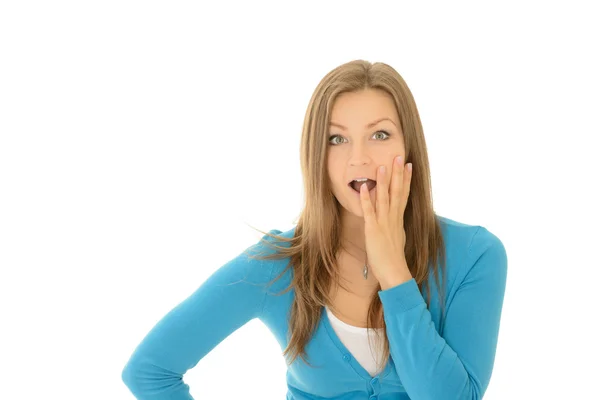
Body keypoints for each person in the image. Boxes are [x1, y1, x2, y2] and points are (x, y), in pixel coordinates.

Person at [121, 59, 508, 399]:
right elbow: (150, 372)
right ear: (316, 157)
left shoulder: (475, 255)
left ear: (409, 148)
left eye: (380, 134)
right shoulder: (276, 265)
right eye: (336, 139)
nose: (359, 158)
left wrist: (393, 272)